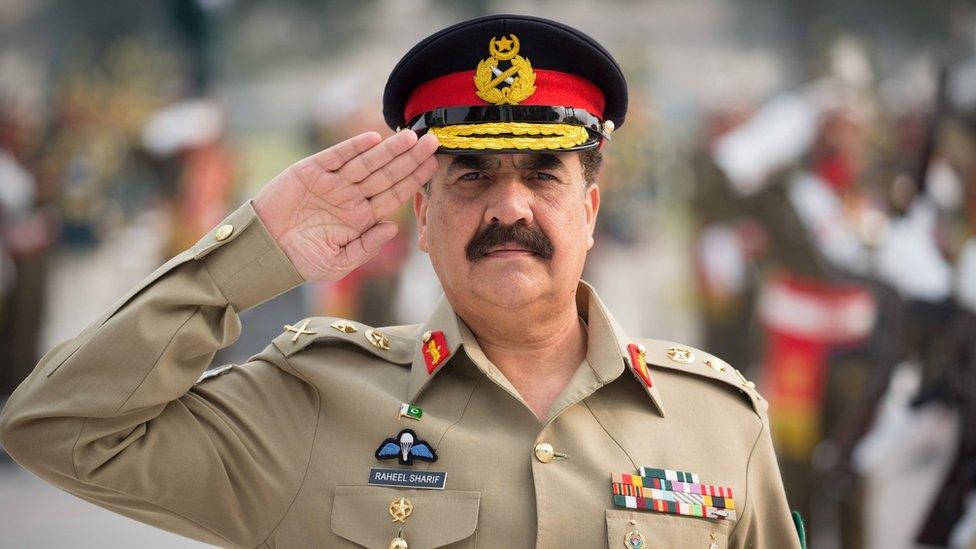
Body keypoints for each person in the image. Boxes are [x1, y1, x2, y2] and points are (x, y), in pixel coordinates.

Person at [0, 14, 801, 548]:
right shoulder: (311, 403)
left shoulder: (719, 423)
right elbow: (54, 424)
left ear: (590, 209)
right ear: (422, 215)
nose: (508, 206)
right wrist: (252, 256)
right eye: (471, 176)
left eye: (544, 175)